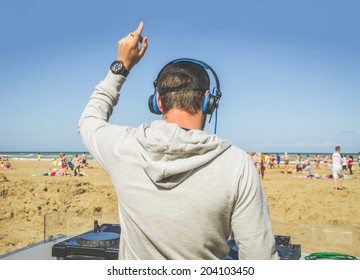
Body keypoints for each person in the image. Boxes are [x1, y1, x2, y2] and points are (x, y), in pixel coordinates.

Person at [77, 22, 277, 260]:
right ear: (208, 101)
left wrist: (122, 66)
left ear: (158, 102)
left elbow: (89, 119)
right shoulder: (237, 164)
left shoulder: (124, 147)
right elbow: (259, 258)